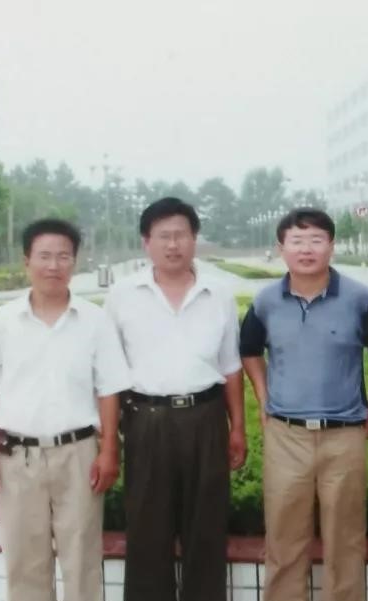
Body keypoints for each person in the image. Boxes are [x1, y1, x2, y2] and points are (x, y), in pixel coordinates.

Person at [0, 218, 131, 601]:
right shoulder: (3, 321)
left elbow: (108, 391)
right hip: (18, 458)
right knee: (25, 563)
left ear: (74, 261)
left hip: (80, 455)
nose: (54, 265)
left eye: (63, 256)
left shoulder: (94, 320)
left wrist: (109, 450)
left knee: (82, 559)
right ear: (27, 261)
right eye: (44, 256)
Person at [104, 197, 245, 601]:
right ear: (146, 242)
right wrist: (110, 441)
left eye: (181, 235)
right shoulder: (122, 295)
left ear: (194, 238)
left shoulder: (218, 294)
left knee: (207, 528)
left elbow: (231, 366)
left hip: (206, 418)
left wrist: (237, 428)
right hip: (146, 420)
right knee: (147, 530)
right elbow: (109, 374)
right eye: (163, 236)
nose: (173, 245)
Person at [240, 208, 368, 601]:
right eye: (297, 241)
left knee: (346, 541)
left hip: (344, 436)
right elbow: (249, 350)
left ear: (331, 246)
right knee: (283, 539)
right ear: (281, 248)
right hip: (286, 436)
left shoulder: (360, 299)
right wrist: (265, 399)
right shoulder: (266, 301)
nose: (306, 249)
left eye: (316, 240)